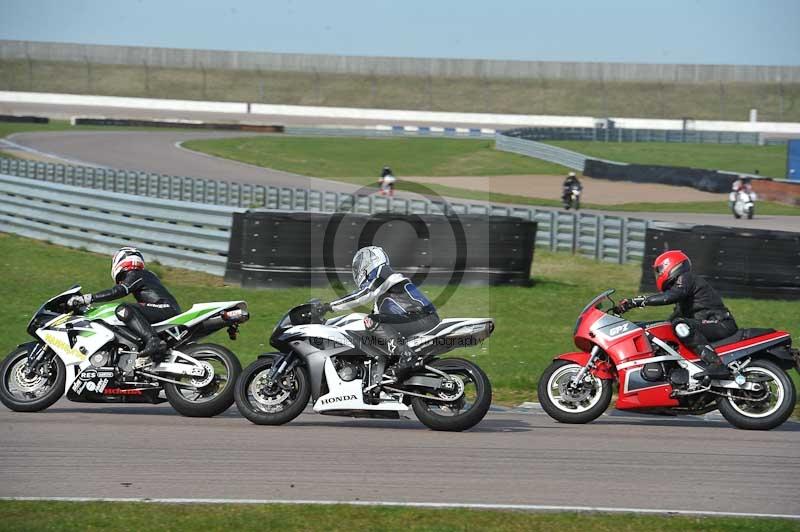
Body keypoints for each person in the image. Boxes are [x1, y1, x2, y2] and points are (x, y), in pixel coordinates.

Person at [320, 246, 440, 383]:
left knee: (372, 321)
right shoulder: (383, 292)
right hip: (416, 318)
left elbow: (364, 294)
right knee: (371, 328)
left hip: (420, 317)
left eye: (359, 265)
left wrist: (329, 307)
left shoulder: (383, 272)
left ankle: (406, 355)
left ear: (369, 261)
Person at [617, 250, 737, 379]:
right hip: (708, 324)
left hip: (720, 323)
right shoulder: (684, 294)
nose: (658, 274)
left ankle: (716, 364)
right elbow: (668, 322)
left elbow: (669, 297)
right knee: (668, 328)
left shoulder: (686, 278)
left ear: (673, 265)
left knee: (680, 325)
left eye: (660, 270)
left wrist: (636, 302)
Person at [66, 247, 181, 362]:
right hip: (165, 309)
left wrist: (88, 298)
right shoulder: (145, 275)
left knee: (123, 309)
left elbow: (118, 291)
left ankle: (152, 340)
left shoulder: (136, 274)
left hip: (164, 309)